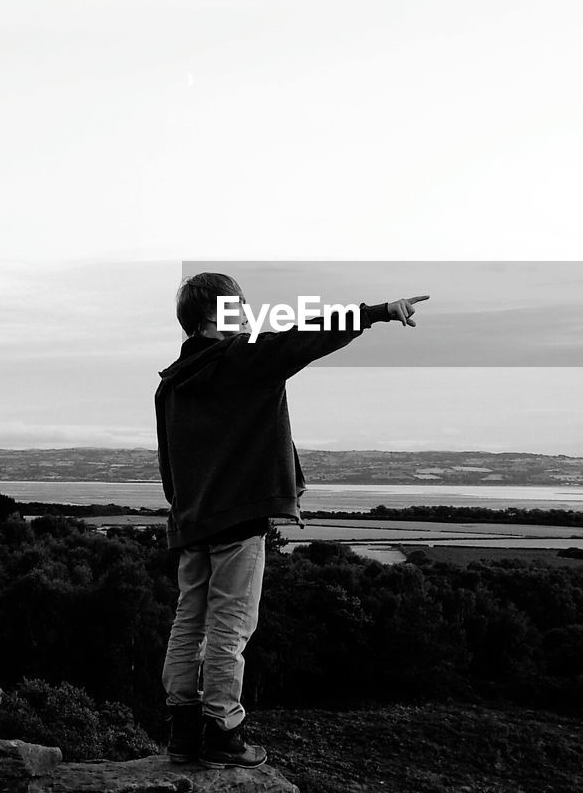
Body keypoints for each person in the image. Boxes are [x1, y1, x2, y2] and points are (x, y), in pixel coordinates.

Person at [155, 272, 427, 770]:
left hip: (192, 521)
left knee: (188, 622)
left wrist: (183, 512)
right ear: (217, 315)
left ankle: (182, 733)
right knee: (231, 627)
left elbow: (168, 463)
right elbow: (309, 334)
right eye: (240, 306)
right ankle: (223, 733)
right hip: (238, 518)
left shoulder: (171, 384)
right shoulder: (242, 360)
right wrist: (379, 311)